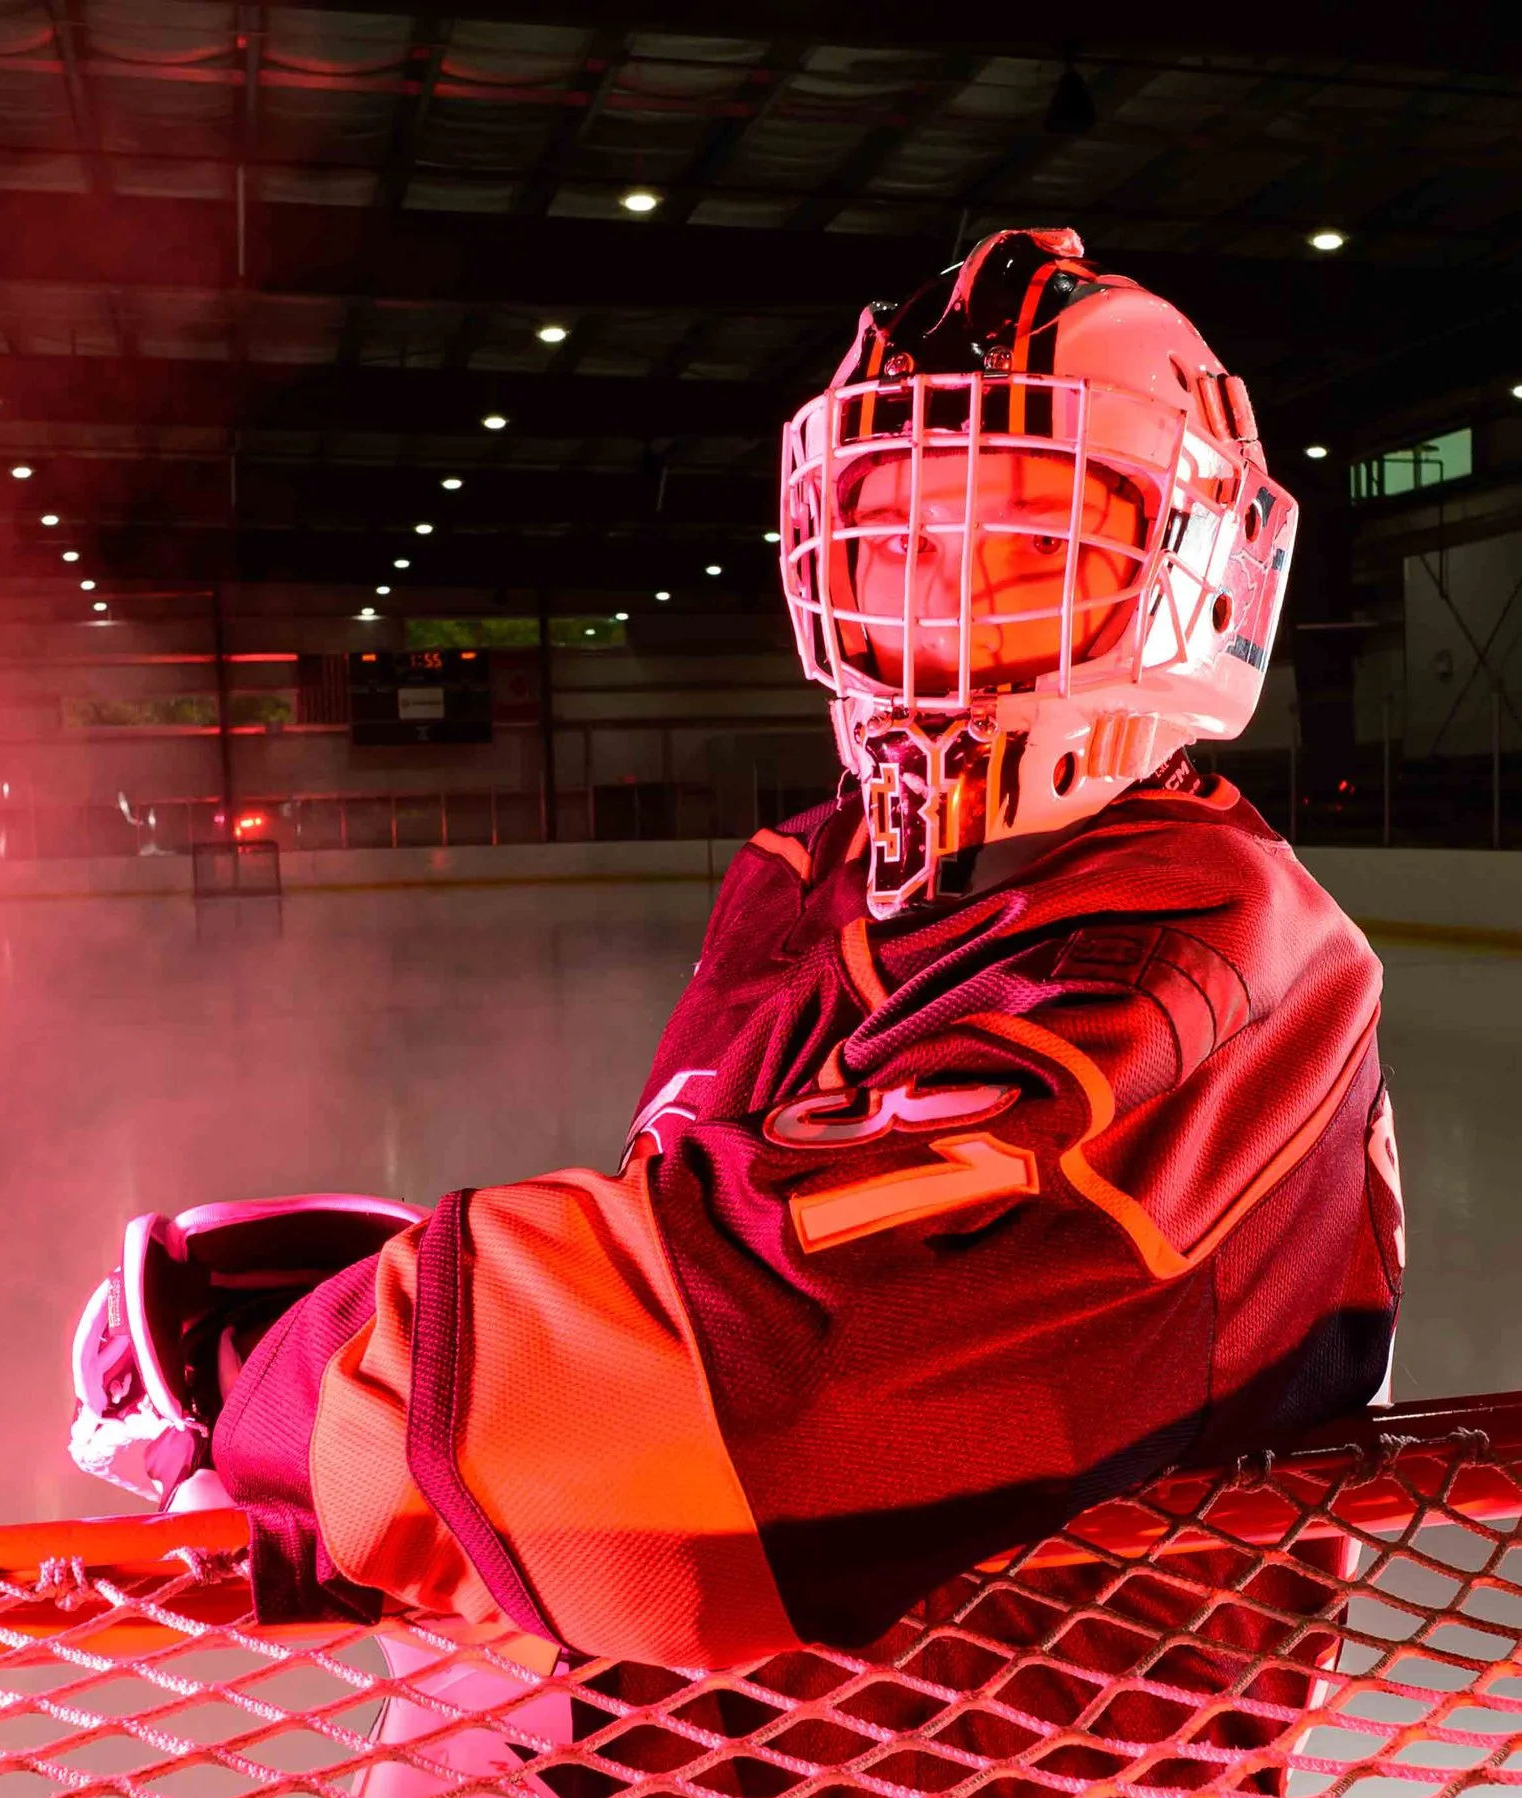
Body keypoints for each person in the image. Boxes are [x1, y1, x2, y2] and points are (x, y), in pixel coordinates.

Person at [69, 224, 1403, 1679]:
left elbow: (759, 1378)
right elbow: (720, 1231)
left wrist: (299, 1384)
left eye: (1020, 541)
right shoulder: (819, 874)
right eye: (889, 538)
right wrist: (413, 1299)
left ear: (1196, 576)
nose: (930, 599)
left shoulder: (1215, 960)